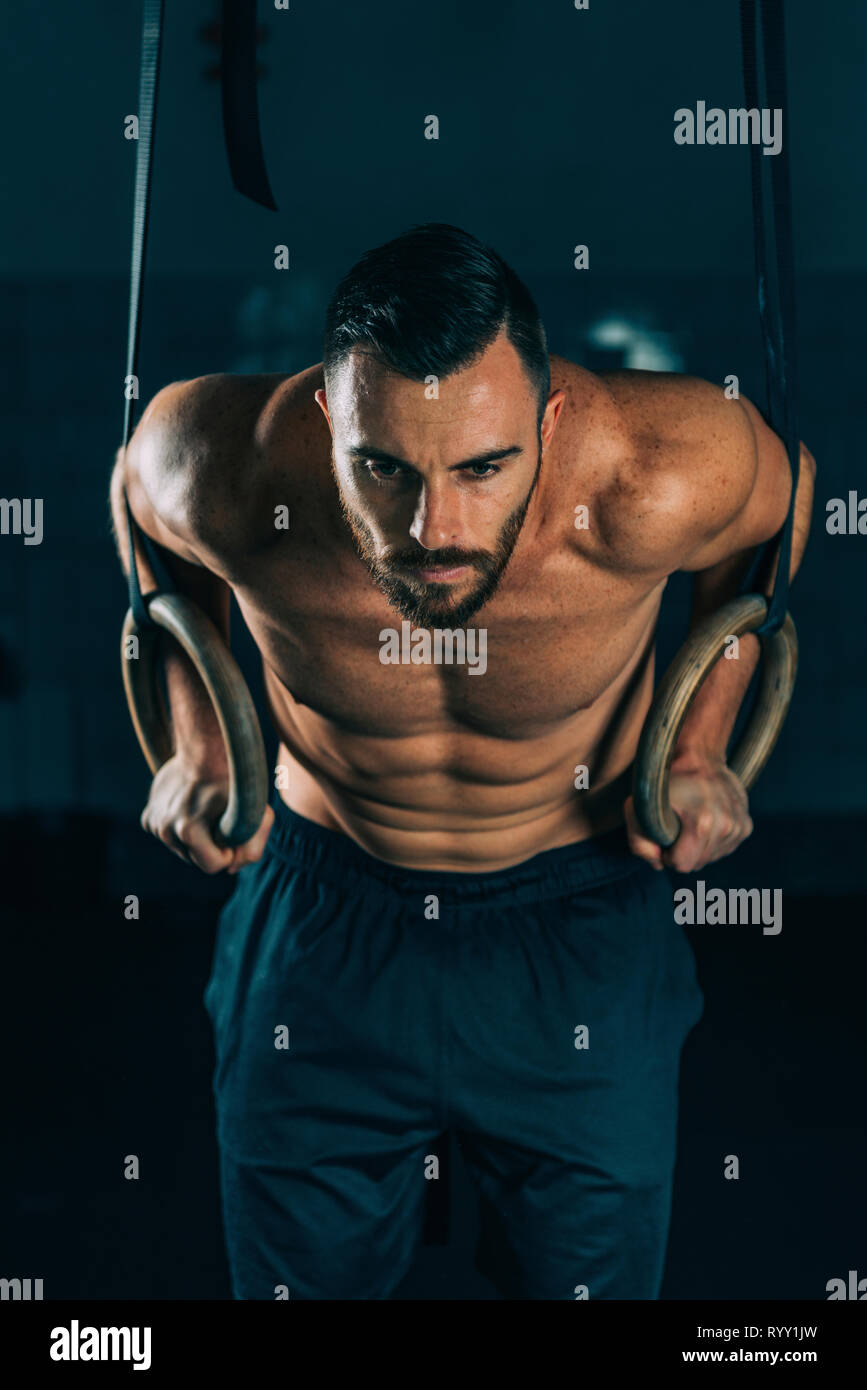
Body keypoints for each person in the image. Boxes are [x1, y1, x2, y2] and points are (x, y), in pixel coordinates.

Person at [109, 222, 815, 1299]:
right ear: (326, 416)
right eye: (383, 468)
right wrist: (201, 735)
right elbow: (143, 524)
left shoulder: (661, 469)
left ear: (550, 419)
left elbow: (782, 508)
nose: (434, 527)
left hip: (575, 922)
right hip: (322, 919)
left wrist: (706, 739)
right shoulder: (228, 465)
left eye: (486, 467)